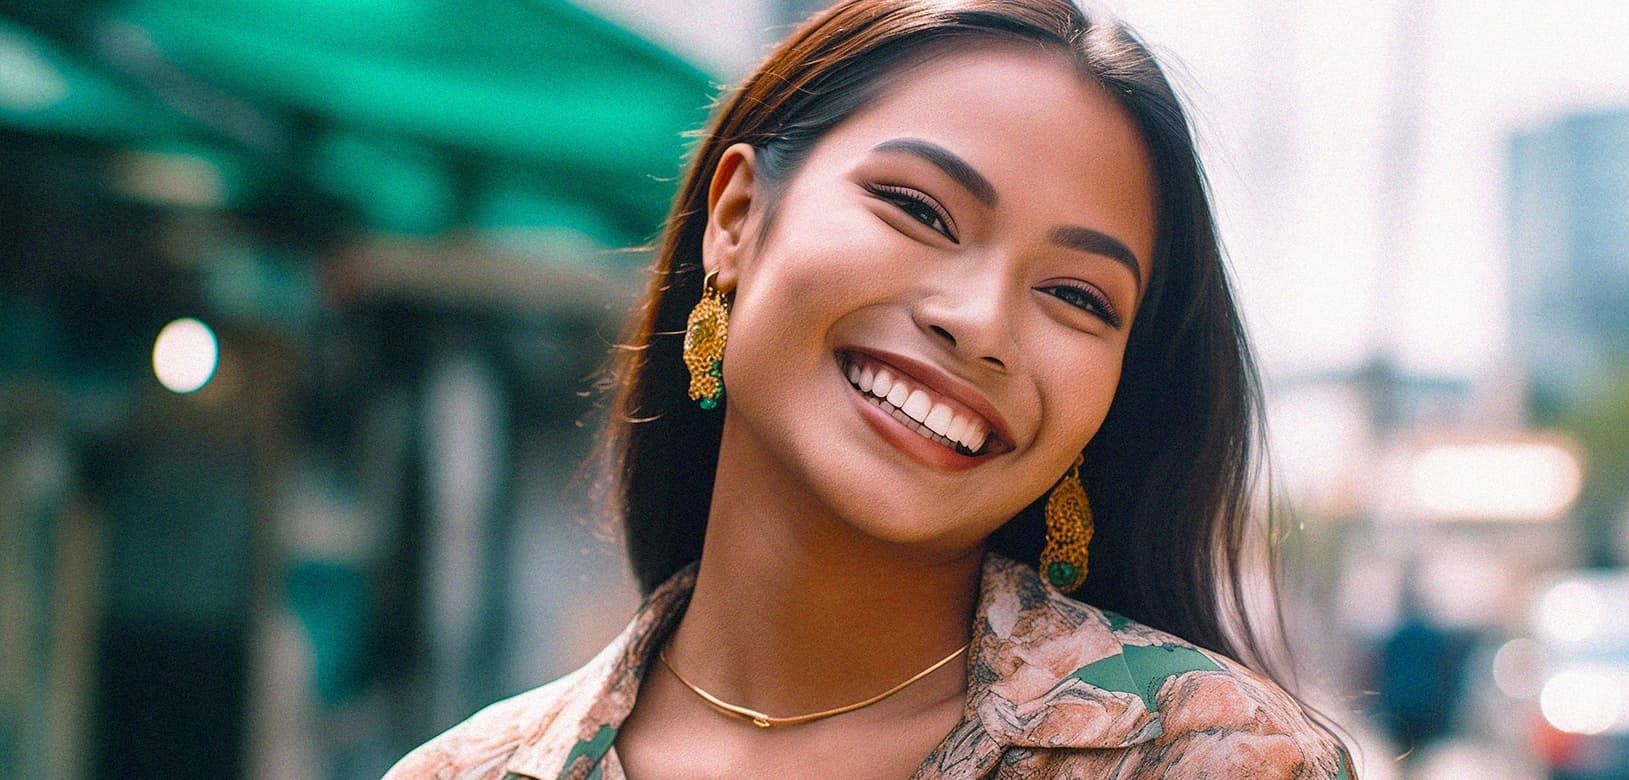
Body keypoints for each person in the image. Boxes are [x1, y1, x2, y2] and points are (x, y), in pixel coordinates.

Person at [387, 0, 1354, 776]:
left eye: (1075, 295)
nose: (979, 321)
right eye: (919, 209)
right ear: (736, 215)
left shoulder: (1216, 759)